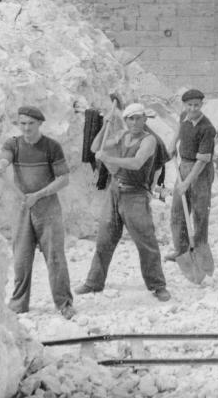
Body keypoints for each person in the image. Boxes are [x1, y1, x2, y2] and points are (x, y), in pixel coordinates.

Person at [75, 103, 170, 301]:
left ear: (145, 119)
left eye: (138, 118)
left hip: (136, 195)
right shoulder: (122, 136)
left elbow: (136, 163)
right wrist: (104, 126)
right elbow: (94, 147)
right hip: (115, 192)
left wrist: (109, 158)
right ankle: (94, 283)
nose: (135, 122)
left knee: (146, 242)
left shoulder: (149, 140)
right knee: (104, 240)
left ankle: (158, 285)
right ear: (126, 121)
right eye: (130, 119)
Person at [0, 106, 75, 319]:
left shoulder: (51, 147)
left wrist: (39, 195)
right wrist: (2, 165)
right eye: (22, 123)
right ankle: (19, 303)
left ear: (40, 124)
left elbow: (63, 179)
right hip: (22, 208)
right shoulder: (13, 144)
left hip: (48, 207)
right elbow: (5, 157)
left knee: (55, 257)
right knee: (21, 258)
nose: (26, 128)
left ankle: (64, 303)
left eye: (31, 123)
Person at [166, 89, 215, 262]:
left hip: (200, 171)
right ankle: (181, 250)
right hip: (183, 165)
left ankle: (200, 250)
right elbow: (180, 129)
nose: (193, 109)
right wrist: (173, 144)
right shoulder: (183, 116)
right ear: (184, 105)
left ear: (202, 105)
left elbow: (202, 161)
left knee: (200, 211)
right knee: (178, 210)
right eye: (189, 105)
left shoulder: (207, 128)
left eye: (196, 105)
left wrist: (187, 182)